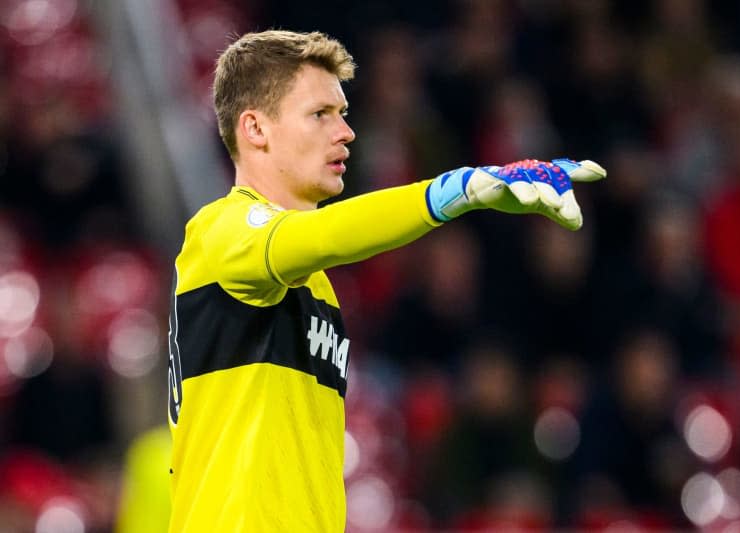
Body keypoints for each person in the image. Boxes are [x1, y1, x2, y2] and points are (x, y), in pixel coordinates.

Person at [166, 29, 605, 532]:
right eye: (320, 114)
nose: (346, 132)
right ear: (256, 130)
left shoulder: (314, 285)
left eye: (344, 114)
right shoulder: (221, 231)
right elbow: (327, 234)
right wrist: (451, 191)